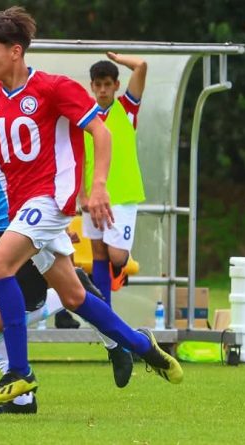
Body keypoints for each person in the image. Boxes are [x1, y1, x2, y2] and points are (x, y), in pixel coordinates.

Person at [0, 7, 183, 405]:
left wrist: (98, 186)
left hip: (51, 198)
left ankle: (19, 372)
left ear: (15, 51)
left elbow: (100, 133)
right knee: (73, 297)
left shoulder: (54, 88)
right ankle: (141, 346)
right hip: (24, 205)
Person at [82, 53, 148, 306]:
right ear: (92, 87)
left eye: (107, 84)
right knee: (98, 252)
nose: (102, 90)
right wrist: (82, 195)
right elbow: (80, 159)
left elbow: (141, 66)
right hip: (93, 196)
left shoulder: (127, 109)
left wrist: (118, 58)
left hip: (123, 194)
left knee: (117, 256)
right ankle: (104, 312)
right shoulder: (85, 118)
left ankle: (119, 271)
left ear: (116, 85)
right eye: (97, 85)